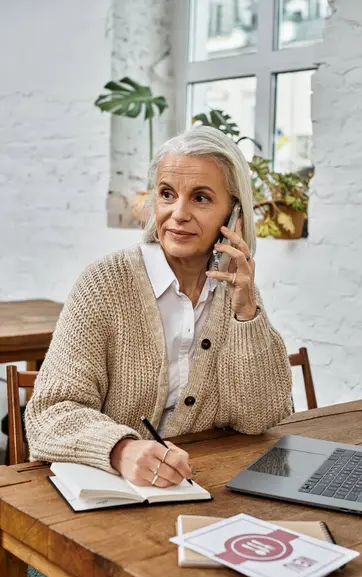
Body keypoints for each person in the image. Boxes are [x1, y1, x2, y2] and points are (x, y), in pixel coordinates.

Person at [25, 126, 292, 489]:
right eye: (167, 194)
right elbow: (49, 413)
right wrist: (121, 449)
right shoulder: (104, 283)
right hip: (109, 490)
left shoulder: (235, 291)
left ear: (234, 216)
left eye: (200, 198)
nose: (178, 213)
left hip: (206, 484)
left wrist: (246, 314)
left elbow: (259, 417)